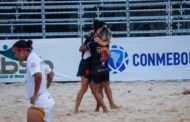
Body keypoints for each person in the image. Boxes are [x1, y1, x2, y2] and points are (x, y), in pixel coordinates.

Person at [12, 40, 55, 122]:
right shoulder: (36, 57)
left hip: (38, 103)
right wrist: (45, 88)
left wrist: (35, 94)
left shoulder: (31, 59)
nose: (15, 56)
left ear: (21, 50)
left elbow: (38, 76)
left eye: (15, 52)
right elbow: (51, 74)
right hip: (46, 99)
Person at [74, 19, 104, 113]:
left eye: (92, 29)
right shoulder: (91, 39)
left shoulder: (98, 38)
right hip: (86, 64)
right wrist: (88, 38)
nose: (91, 31)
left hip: (95, 64)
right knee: (84, 88)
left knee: (97, 89)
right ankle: (76, 109)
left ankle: (98, 108)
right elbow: (81, 49)